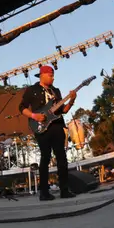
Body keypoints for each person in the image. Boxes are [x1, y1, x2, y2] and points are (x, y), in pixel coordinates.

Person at [19, 65, 77, 201]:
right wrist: (34, 116)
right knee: (45, 157)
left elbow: (63, 110)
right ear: (42, 75)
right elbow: (21, 107)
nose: (53, 78)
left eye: (53, 75)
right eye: (50, 75)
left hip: (57, 125)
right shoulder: (32, 90)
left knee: (62, 157)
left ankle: (64, 189)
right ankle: (44, 192)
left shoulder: (55, 91)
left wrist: (72, 100)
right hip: (40, 126)